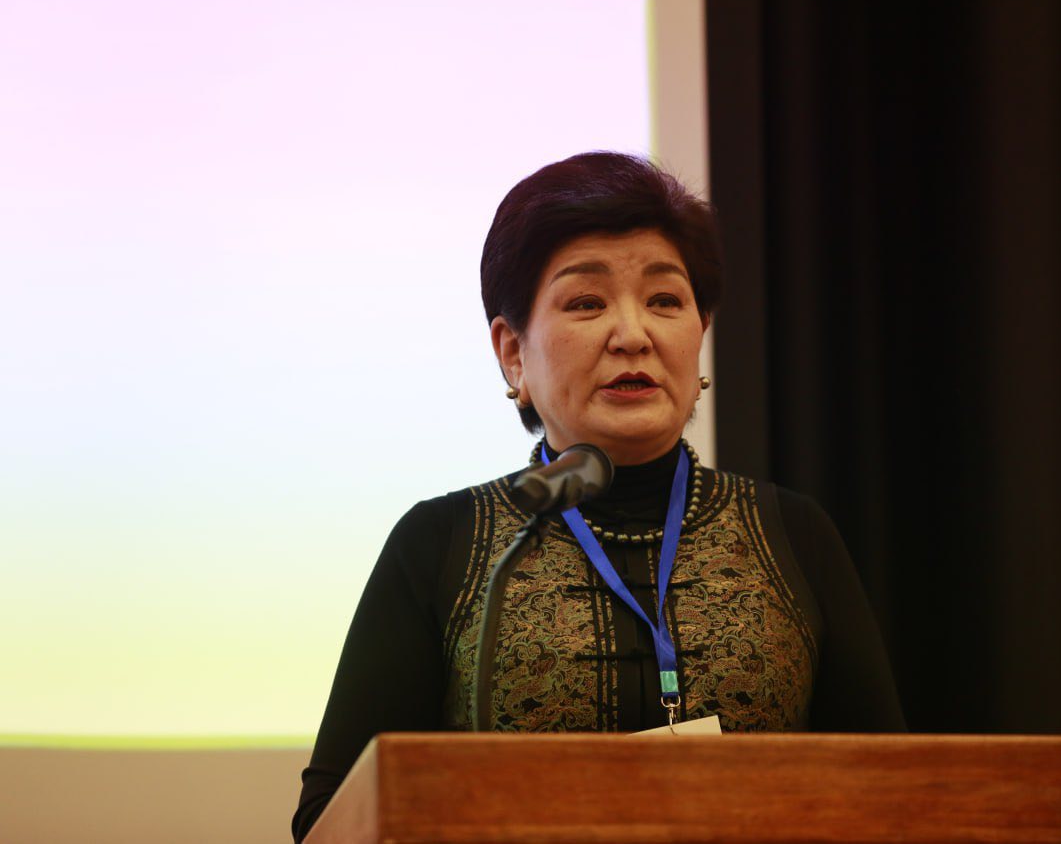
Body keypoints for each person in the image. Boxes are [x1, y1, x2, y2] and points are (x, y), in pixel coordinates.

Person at [291, 152, 904, 842]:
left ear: (700, 334)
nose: (633, 335)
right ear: (513, 353)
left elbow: (892, 795)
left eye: (665, 301)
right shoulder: (444, 542)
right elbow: (328, 821)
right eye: (586, 302)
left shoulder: (791, 531)